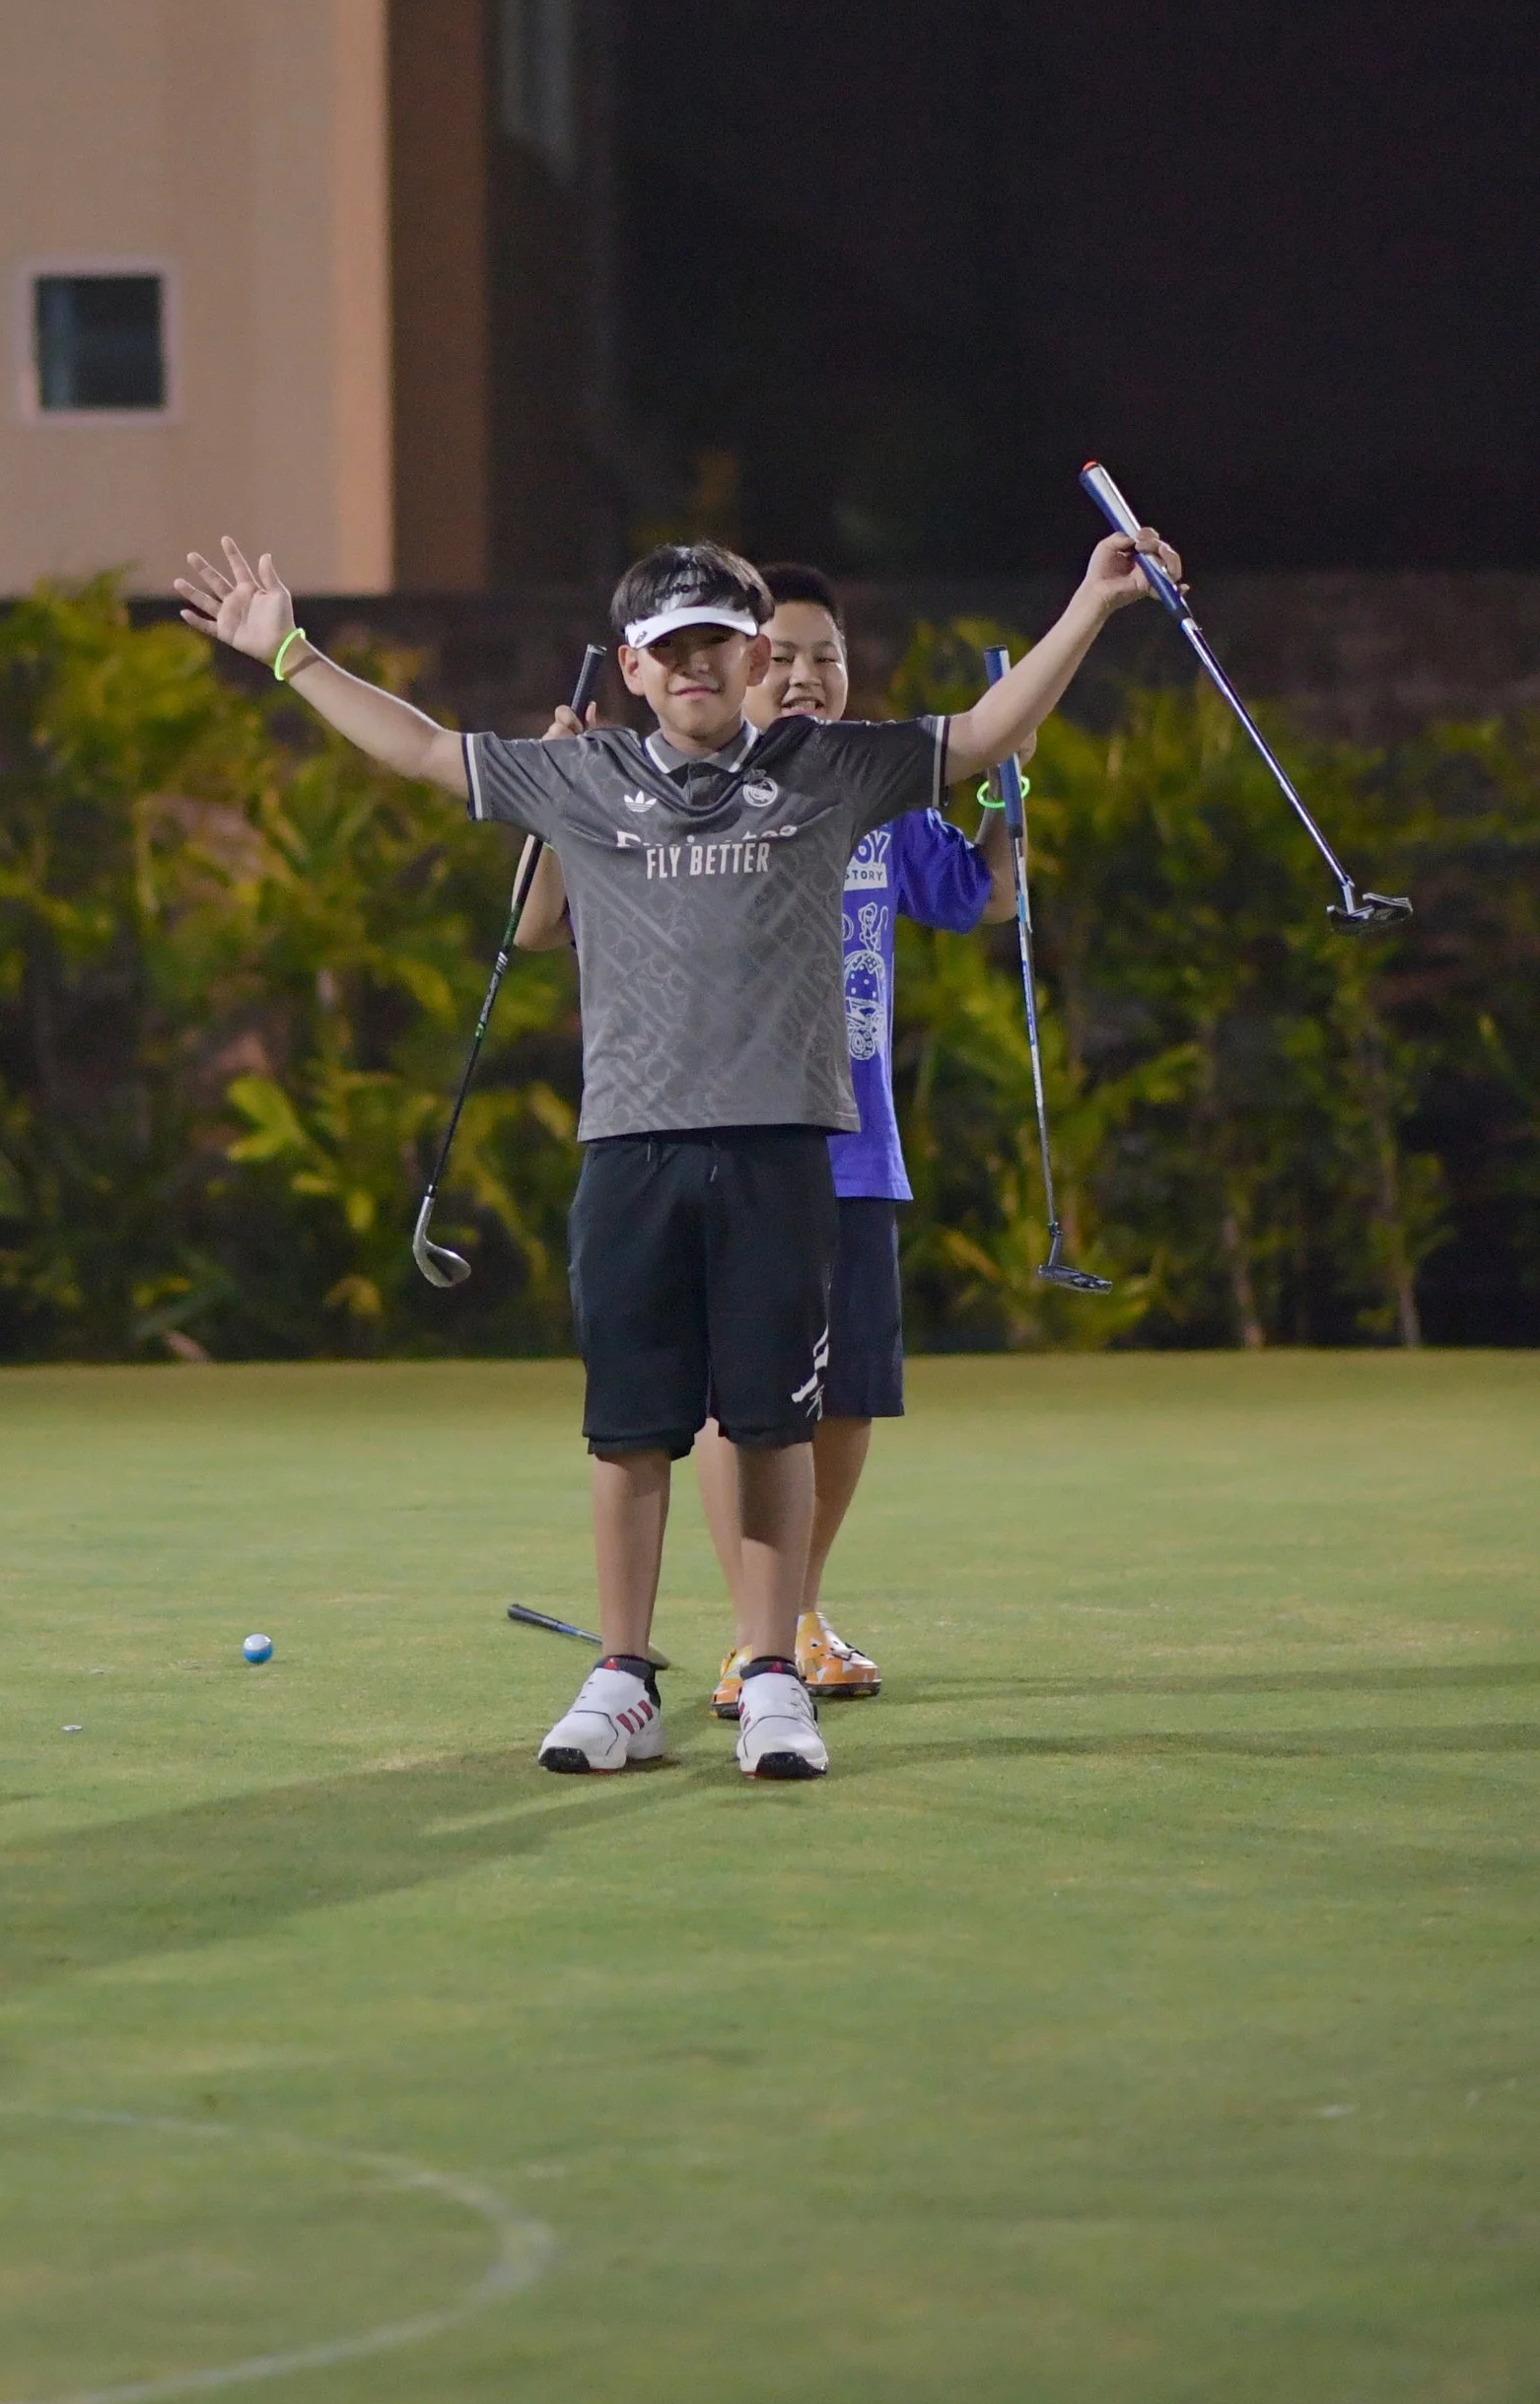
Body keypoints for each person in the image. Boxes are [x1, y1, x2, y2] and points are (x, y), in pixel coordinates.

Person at [174, 516, 1179, 1785]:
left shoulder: (829, 767)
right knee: (629, 1431)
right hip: (631, 1150)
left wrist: (1090, 604)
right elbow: (422, 749)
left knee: (770, 1426)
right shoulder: (581, 776)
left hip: (781, 1149)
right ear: (632, 667)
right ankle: (622, 1679)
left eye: (718, 643)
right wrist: (290, 655)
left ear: (754, 656)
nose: (697, 665)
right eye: (671, 648)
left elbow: (982, 736)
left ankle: (769, 1673)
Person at [514, 562, 1019, 1719]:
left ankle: (794, 1615)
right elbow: (542, 924)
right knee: (731, 1402)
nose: (803, 677)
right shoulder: (669, 802)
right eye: (781, 656)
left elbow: (980, 895)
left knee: (844, 1396)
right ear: (738, 667)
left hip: (853, 1142)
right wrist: (555, 794)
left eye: (823, 657)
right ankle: (756, 1638)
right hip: (723, 1135)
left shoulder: (870, 797)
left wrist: (1008, 796)